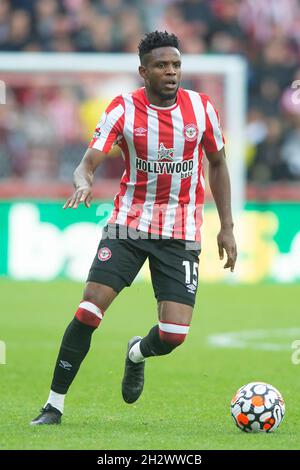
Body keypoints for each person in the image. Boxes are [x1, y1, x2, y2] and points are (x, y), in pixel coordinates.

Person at [31, 31, 237, 425]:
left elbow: (219, 163)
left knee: (174, 335)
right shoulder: (123, 109)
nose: (171, 72)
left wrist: (227, 226)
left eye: (176, 65)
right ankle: (53, 405)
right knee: (90, 308)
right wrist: (84, 180)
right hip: (129, 224)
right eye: (161, 65)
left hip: (180, 231)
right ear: (143, 71)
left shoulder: (202, 108)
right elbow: (88, 161)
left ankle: (136, 352)